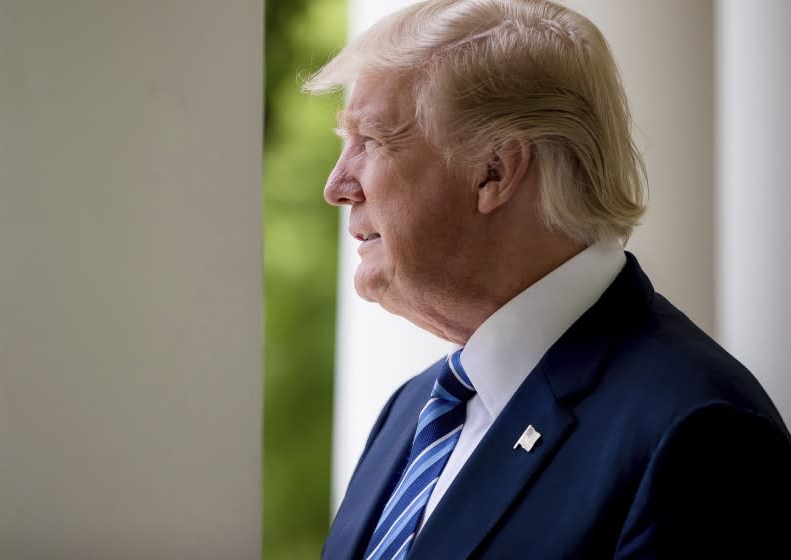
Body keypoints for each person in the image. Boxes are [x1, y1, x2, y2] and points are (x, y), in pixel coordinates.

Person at [304, 0, 791, 558]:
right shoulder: (412, 410)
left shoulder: (703, 437)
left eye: (371, 141)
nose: (337, 184)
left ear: (495, 171)